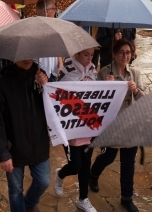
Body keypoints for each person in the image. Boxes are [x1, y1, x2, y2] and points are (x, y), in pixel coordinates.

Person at [0, 59, 51, 212]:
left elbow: (55, 108)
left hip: (39, 144)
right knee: (16, 189)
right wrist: (3, 153)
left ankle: (29, 204)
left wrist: (47, 87)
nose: (26, 58)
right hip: (14, 147)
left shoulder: (40, 76)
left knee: (43, 181)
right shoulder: (2, 82)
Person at [89, 39, 143, 212]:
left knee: (128, 164)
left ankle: (127, 197)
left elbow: (143, 100)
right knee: (108, 156)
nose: (125, 56)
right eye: (121, 52)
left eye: (128, 52)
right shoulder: (104, 73)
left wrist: (136, 91)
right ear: (114, 53)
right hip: (111, 125)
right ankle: (93, 174)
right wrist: (106, 87)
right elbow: (95, 102)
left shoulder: (134, 73)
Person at [53, 48, 98, 212]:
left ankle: (83, 199)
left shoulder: (93, 69)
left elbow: (99, 95)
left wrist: (108, 82)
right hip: (71, 129)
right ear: (77, 54)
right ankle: (60, 174)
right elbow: (58, 97)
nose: (90, 58)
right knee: (76, 165)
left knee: (86, 165)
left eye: (92, 55)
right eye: (86, 54)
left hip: (89, 127)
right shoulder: (67, 70)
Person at [36, 0, 63, 81]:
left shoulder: (55, 26)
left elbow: (56, 47)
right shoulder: (34, 27)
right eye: (54, 9)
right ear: (47, 11)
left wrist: (60, 63)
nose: (56, 12)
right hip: (40, 72)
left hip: (54, 72)